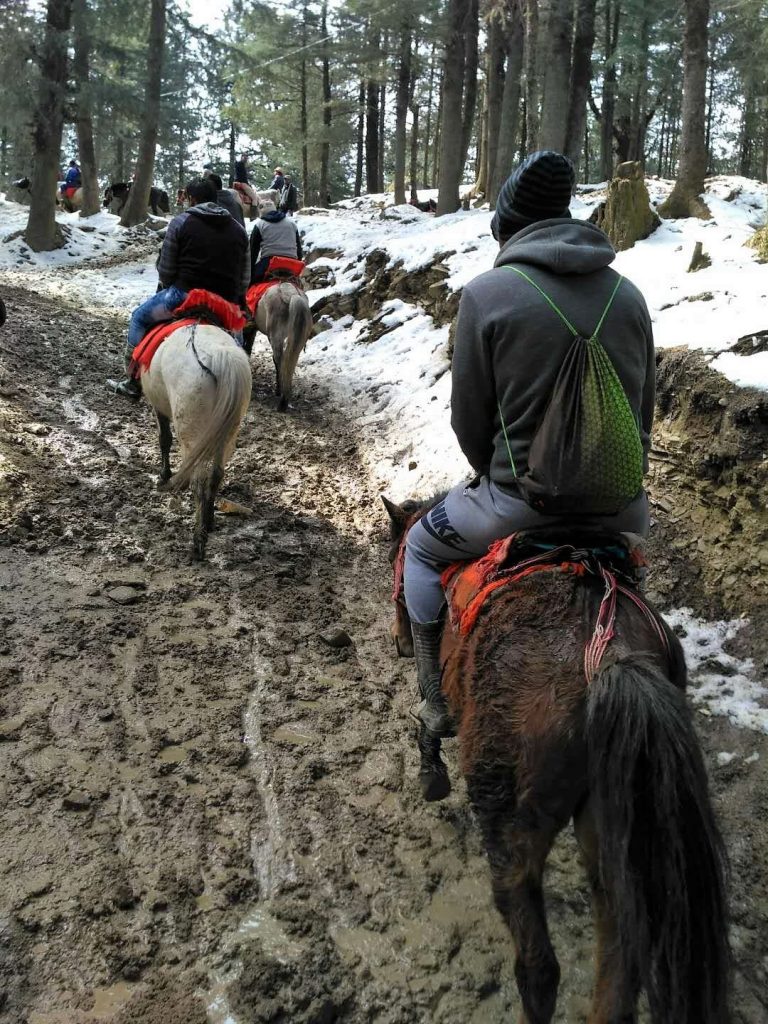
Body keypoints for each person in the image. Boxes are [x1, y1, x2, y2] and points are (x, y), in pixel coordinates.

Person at [403, 150, 656, 737]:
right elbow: (642, 412)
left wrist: (492, 477)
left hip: (518, 504)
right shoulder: (630, 295)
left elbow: (470, 420)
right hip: (621, 509)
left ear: (506, 227)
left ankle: (431, 702)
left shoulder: (488, 294)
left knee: (418, 545)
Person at [108, 178, 249, 401]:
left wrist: (172, 283)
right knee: (238, 349)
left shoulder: (181, 222)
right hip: (225, 305)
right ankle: (240, 392)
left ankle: (133, 381)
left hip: (183, 296)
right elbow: (244, 279)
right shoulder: (239, 230)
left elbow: (165, 270)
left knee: (139, 318)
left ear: (192, 199)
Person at [250, 200, 303, 284]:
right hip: (291, 262)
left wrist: (250, 271)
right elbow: (299, 250)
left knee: (251, 283)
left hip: (269, 262)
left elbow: (253, 252)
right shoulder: (292, 223)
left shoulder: (260, 225)